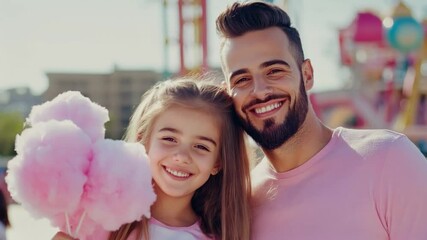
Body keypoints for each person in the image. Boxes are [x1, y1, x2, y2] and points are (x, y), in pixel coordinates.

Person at [216, 1, 427, 239]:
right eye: (242, 79)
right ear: (227, 93)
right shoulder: (241, 206)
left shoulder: (389, 160)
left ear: (307, 75)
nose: (260, 91)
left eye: (274, 71)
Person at [52, 78, 251, 240]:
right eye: (169, 139)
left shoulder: (220, 236)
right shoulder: (98, 221)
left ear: (218, 162)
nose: (181, 156)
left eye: (201, 146)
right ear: (143, 141)